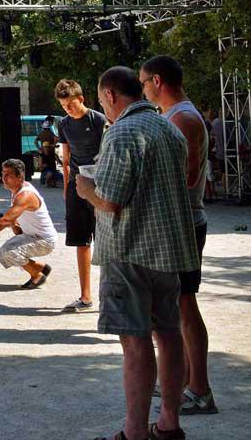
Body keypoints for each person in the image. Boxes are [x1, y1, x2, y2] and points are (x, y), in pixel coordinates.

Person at [75, 67, 198, 440]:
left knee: (134, 340)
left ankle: (134, 432)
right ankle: (169, 423)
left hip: (129, 250)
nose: (103, 109)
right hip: (169, 251)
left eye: (101, 101)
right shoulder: (169, 129)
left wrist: (85, 190)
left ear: (111, 96)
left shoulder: (122, 132)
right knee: (169, 334)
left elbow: (110, 201)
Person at [140, 55, 217, 416]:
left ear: (157, 81)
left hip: (184, 223)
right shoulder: (173, 117)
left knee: (184, 306)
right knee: (177, 306)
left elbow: (183, 179)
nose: (141, 90)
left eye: (143, 83)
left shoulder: (183, 119)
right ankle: (187, 381)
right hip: (179, 223)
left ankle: (200, 389)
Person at [56, 78, 107, 313]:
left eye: (72, 104)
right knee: (81, 241)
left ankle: (110, 297)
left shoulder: (98, 119)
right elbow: (66, 159)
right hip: (77, 187)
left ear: (81, 99)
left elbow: (108, 153)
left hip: (100, 186)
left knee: (106, 242)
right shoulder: (64, 124)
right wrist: (67, 187)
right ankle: (85, 297)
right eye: (64, 105)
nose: (68, 109)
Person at [0, 158, 56, 288]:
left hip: (44, 241)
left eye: (9, 175)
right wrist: (15, 226)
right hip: (32, 236)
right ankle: (41, 267)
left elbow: (6, 220)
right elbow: (12, 220)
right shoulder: (16, 191)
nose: (4, 178)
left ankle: (37, 275)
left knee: (6, 252)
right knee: (4, 252)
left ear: (20, 177)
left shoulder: (25, 195)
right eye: (3, 174)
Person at [35, 116, 60, 187]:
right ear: (49, 127)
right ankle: (52, 182)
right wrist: (53, 145)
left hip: (43, 151)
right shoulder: (51, 133)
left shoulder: (41, 134)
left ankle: (46, 181)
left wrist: (39, 148)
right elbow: (56, 139)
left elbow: (35, 141)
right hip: (51, 151)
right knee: (53, 168)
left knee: (45, 167)